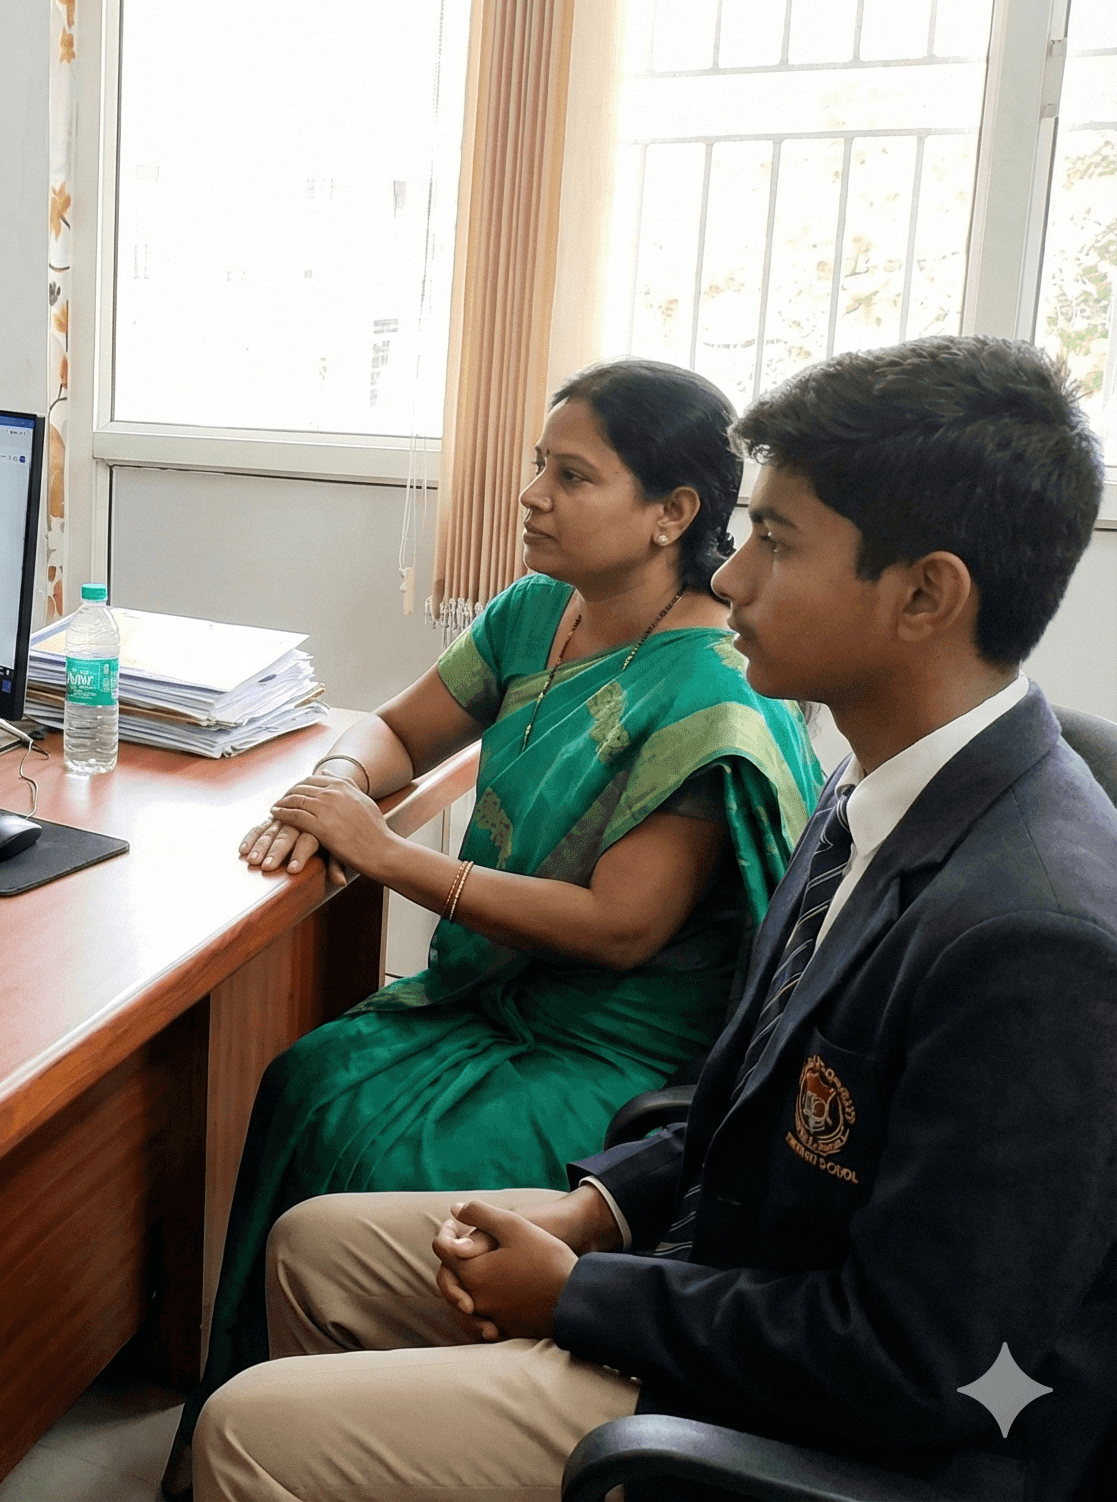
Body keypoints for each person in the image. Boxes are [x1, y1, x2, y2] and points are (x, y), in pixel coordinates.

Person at [194, 335, 1117, 1502]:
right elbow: (749, 1090)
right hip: (708, 1261)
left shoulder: (1036, 941)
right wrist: (602, 1203)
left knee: (248, 1430)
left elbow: (923, 1363)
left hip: (778, 1407)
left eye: (776, 544)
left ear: (926, 593)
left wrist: (585, 1294)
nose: (729, 579)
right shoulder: (872, 783)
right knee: (312, 1244)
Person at [168, 359, 822, 1494]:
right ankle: (281, 1427)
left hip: (612, 1048)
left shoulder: (714, 692)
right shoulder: (538, 610)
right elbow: (397, 731)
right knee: (309, 1076)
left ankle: (375, 1443)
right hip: (494, 997)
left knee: (377, 1149)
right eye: (538, 464)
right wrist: (328, 786)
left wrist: (387, 854)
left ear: (671, 514)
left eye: (573, 475)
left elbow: (622, 927)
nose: (532, 493)